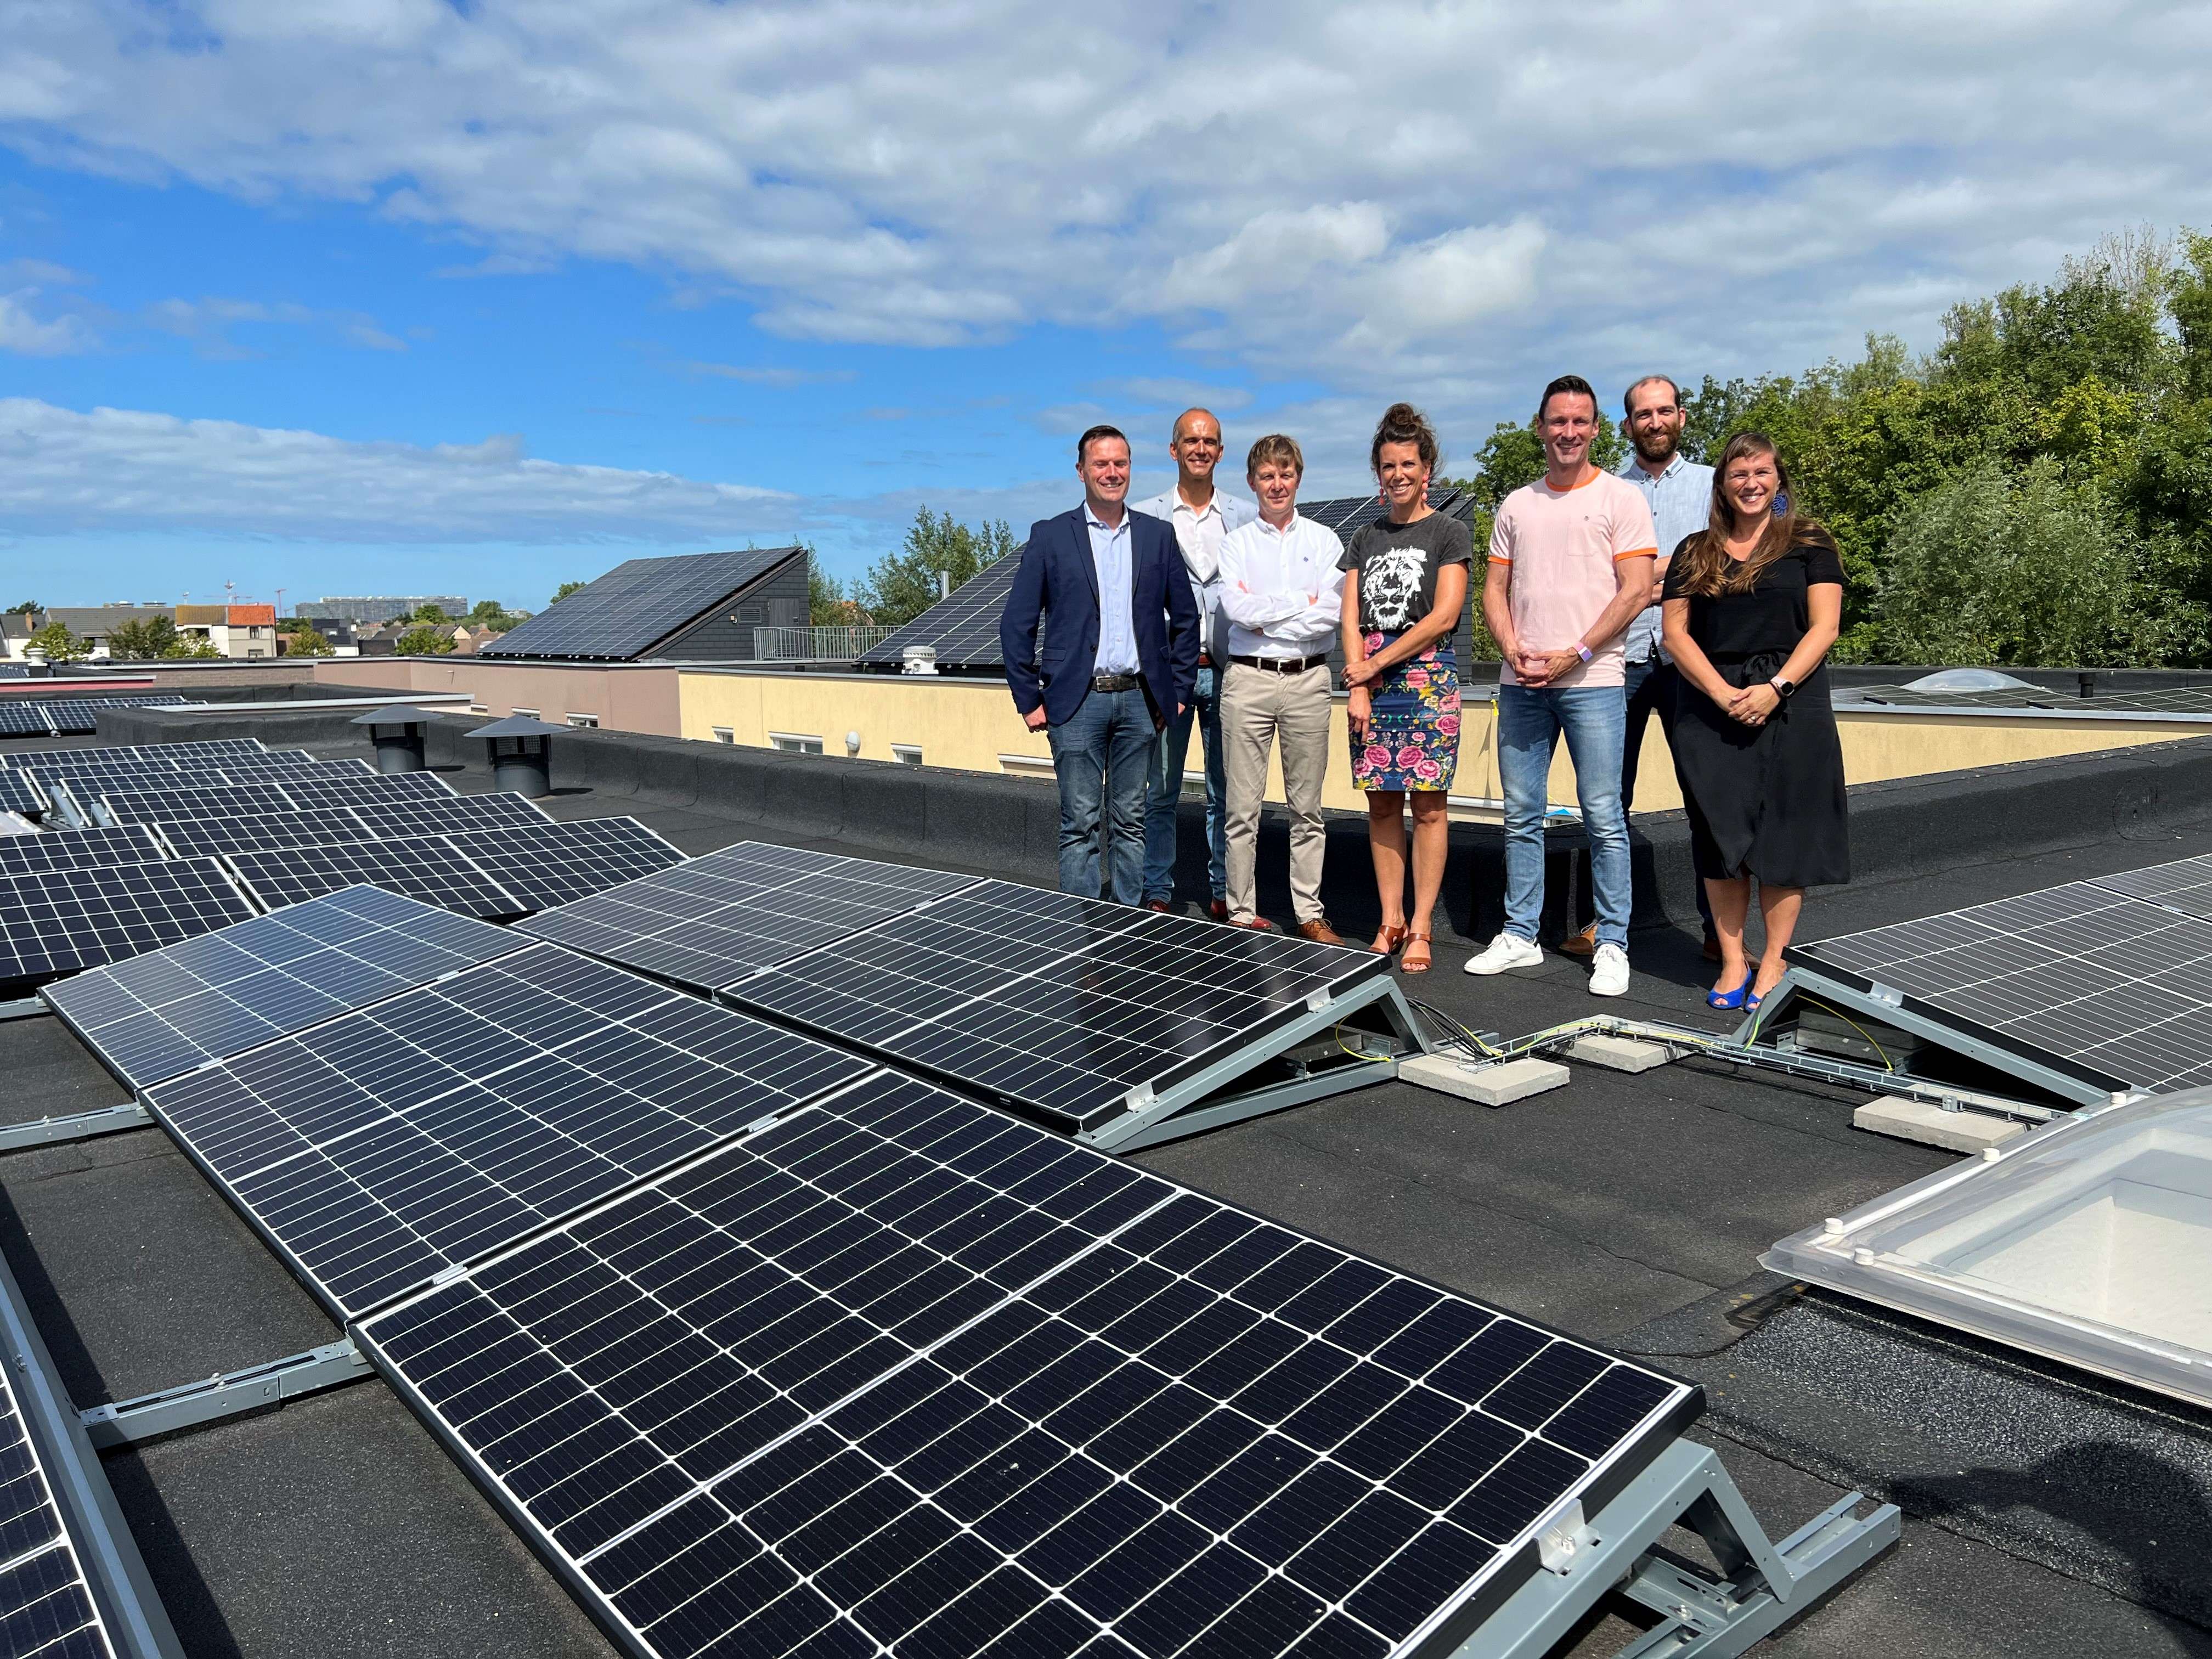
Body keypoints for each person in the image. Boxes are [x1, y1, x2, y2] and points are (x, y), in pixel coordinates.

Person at [1466, 374, 1656, 997]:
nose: (1568, 432)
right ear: (1541, 427)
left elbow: (1636, 591)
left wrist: (1575, 654)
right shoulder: (1516, 504)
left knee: (1604, 815)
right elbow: (1494, 589)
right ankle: (1520, 935)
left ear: (1597, 429)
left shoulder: (1622, 499)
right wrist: (1511, 646)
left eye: (1580, 422)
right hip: (1522, 682)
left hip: (1595, 680)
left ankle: (1613, 944)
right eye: (1558, 421)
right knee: (1521, 814)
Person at [1661, 431, 1848, 1010]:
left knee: (1786, 835)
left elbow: (1825, 628)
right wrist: (1721, 693)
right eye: (1739, 474)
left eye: (1762, 472)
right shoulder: (1695, 551)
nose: (1751, 483)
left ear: (1778, 480)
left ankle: (1772, 961)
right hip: (1709, 706)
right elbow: (1675, 634)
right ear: (1722, 484)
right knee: (1720, 839)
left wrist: (1775, 688)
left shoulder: (1811, 543)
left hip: (1794, 702)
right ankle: (1734, 959)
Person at [1001, 425, 1200, 903]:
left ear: (1130, 467)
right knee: (1080, 824)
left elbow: (1187, 620)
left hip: (1140, 702)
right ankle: (1082, 935)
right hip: (1075, 703)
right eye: (1101, 464)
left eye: (1121, 463)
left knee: (1132, 822)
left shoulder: (1158, 537)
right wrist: (1030, 699)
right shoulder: (1050, 537)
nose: (1112, 473)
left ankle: (1128, 933)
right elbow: (1016, 625)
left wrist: (1176, 694)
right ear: (1081, 471)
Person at [1563, 375, 1719, 960]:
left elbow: (1722, 560)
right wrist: (1661, 576)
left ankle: (1717, 932)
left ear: (1680, 416)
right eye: (1642, 415)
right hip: (1617, 662)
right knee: (1606, 801)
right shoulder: (1602, 491)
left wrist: (1651, 577)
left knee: (1705, 799)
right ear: (1626, 426)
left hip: (1691, 660)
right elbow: (1598, 578)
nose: (1654, 422)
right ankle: (1605, 927)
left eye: (1663, 411)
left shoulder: (1713, 486)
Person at [1341, 403, 1471, 975]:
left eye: (1408, 464)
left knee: (1431, 806)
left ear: (1427, 470)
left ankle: (1421, 926)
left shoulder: (1449, 531)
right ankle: (1389, 919)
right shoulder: (1364, 537)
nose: (1398, 474)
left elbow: (1444, 616)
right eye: (1388, 465)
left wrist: (1376, 665)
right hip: (1371, 681)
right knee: (1382, 804)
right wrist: (1360, 681)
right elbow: (1350, 620)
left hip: (1426, 679)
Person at [1216, 434, 1346, 943]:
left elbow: (1333, 613)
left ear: (1298, 477)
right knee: (1241, 808)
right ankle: (1241, 911)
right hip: (1247, 680)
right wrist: (1300, 604)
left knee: (1307, 808)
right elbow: (1237, 611)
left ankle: (1309, 913)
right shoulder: (1236, 544)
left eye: (1285, 474)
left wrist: (1271, 613)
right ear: (1252, 482)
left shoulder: (1325, 541)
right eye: (1267, 475)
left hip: (1309, 679)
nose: (1277, 484)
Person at [1132, 409, 1257, 916]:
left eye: (1210, 441)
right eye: (1191, 440)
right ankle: (1158, 891)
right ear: (1174, 450)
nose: (1200, 448)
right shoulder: (1146, 517)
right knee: (1160, 790)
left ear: (1221, 452)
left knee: (1226, 796)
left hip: (1233, 673)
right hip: (1170, 676)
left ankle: (1224, 892)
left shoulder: (1246, 516)